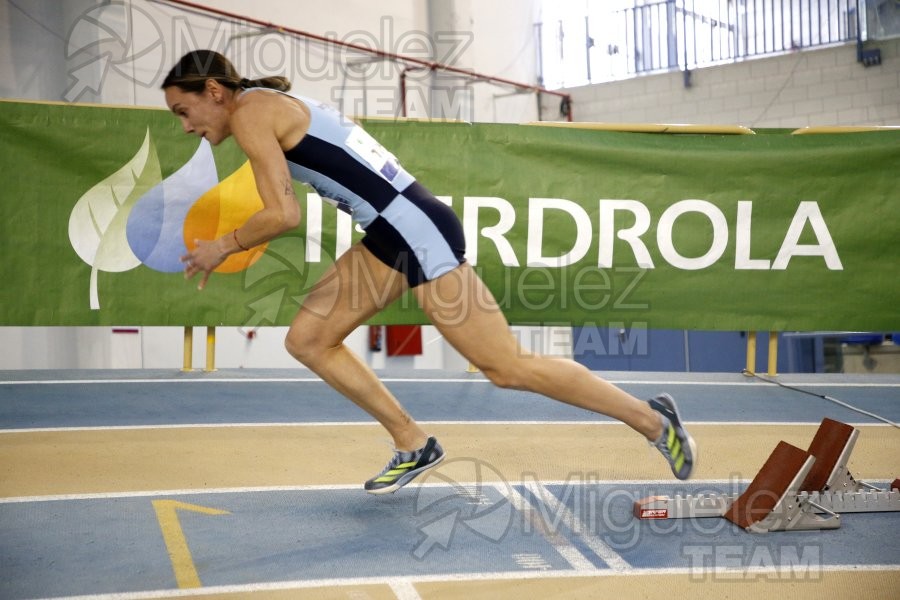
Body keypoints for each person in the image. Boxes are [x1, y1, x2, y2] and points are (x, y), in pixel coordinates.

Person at [163, 50, 697, 494]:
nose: (187, 127)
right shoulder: (264, 104)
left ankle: (651, 420)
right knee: (309, 339)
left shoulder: (251, 111)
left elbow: (283, 214)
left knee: (506, 367)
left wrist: (222, 247)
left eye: (184, 112)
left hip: (417, 230)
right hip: (392, 232)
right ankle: (413, 442)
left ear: (215, 90)